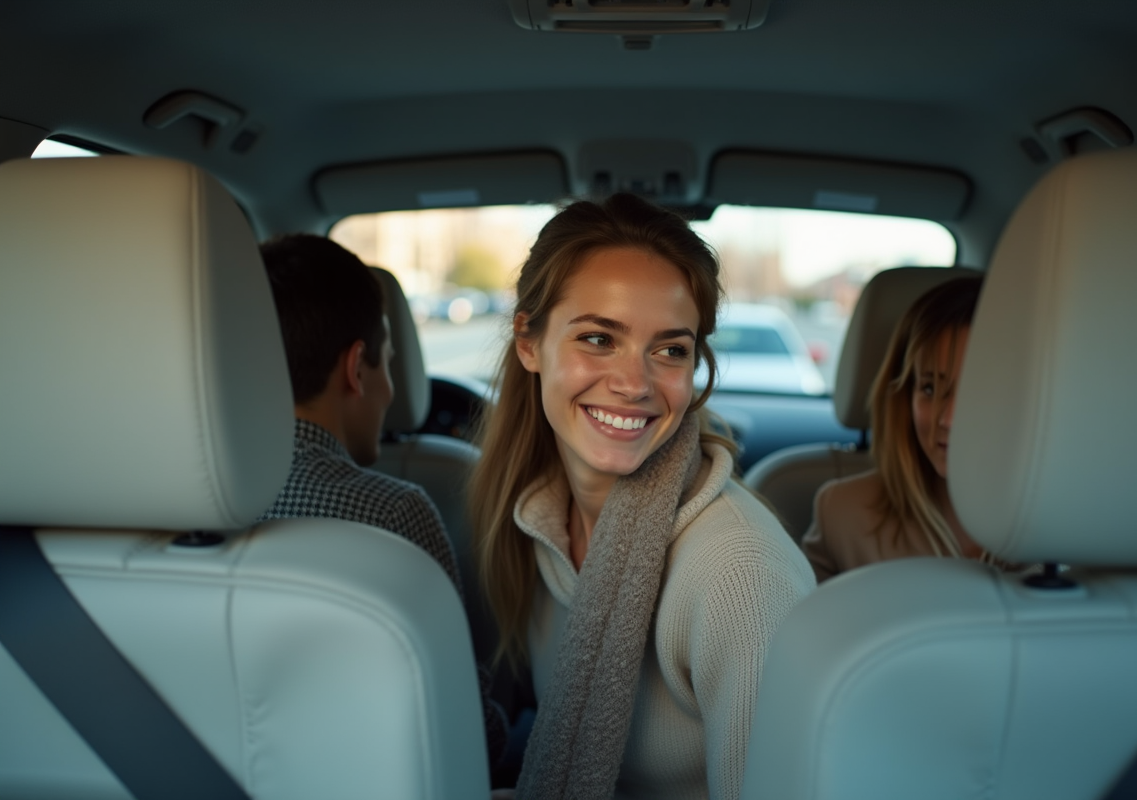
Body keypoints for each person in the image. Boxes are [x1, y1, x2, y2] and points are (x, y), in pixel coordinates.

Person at [470, 194, 815, 800]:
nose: (634, 385)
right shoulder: (534, 516)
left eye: (670, 350)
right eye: (599, 339)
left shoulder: (740, 574)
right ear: (529, 342)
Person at [256, 233, 508, 767]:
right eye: (388, 363)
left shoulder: (165, 509)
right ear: (356, 369)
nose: (391, 388)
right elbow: (469, 728)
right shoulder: (393, 513)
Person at [801, 276, 995, 582]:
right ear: (905, 397)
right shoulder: (844, 517)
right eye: (930, 388)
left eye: (976, 390)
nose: (949, 420)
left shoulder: (1076, 531)